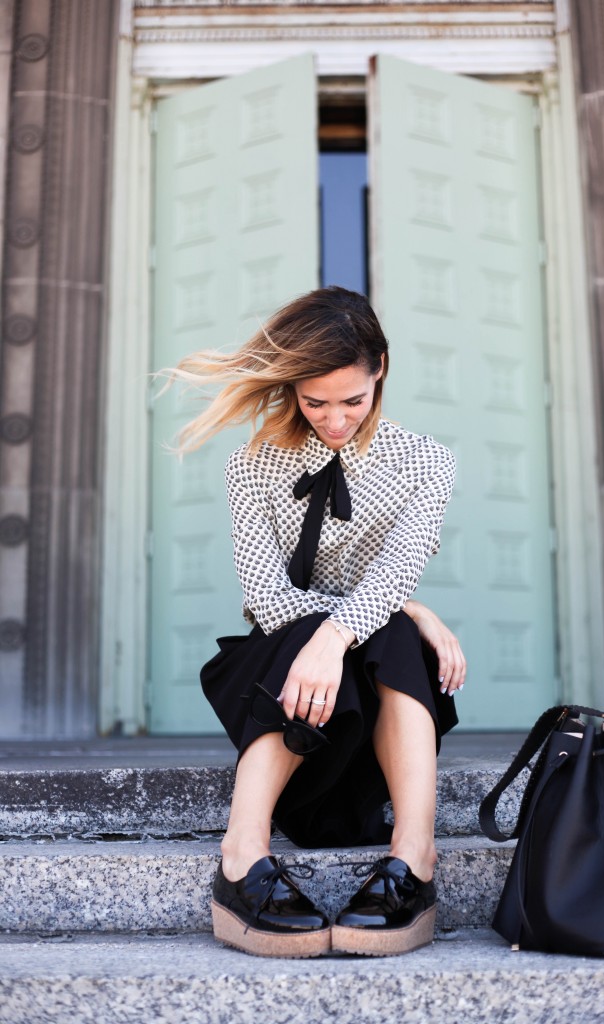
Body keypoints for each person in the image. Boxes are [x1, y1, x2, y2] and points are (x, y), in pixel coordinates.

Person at [167, 286, 466, 959]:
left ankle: (412, 859)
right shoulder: (251, 464)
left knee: (386, 638)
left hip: (376, 710)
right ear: (293, 389)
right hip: (287, 694)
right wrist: (403, 609)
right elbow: (267, 599)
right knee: (357, 628)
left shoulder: (427, 463)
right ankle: (241, 856)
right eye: (314, 402)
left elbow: (394, 572)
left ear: (380, 370)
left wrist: (359, 624)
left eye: (351, 401)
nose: (334, 420)